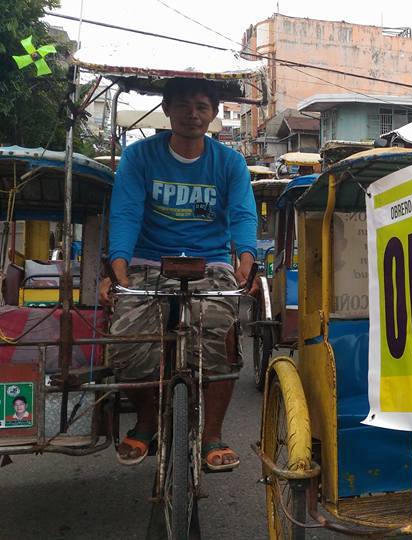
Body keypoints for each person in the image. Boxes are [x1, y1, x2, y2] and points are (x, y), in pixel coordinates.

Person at [99, 78, 257, 471]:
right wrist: (119, 269)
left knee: (223, 341)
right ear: (167, 108)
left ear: (214, 114)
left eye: (202, 106)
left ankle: (212, 435)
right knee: (128, 344)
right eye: (184, 105)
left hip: (211, 265)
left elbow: (242, 215)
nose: (193, 114)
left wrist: (246, 262)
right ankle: (148, 420)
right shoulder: (139, 157)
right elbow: (125, 213)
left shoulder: (230, 162)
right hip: (149, 263)